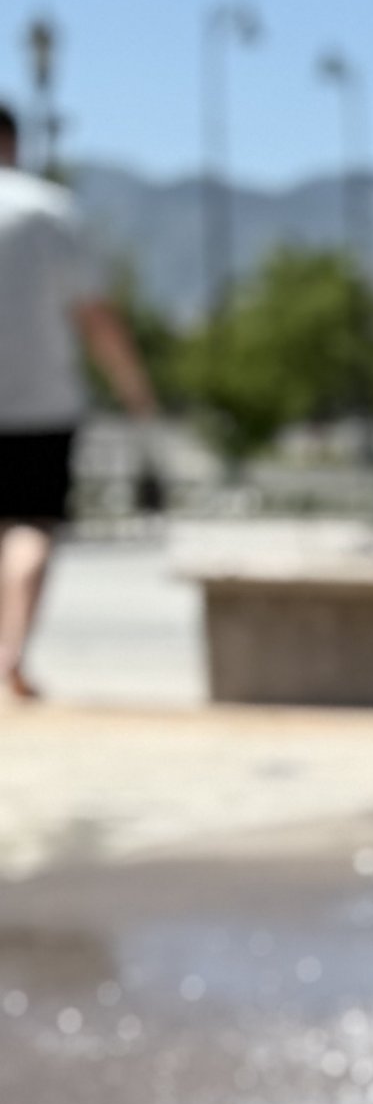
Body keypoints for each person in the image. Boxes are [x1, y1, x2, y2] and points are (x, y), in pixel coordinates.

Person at [0, 101, 158, 703]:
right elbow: (95, 316)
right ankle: (12, 651)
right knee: (30, 529)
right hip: (41, 402)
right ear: (13, 142)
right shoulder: (47, 209)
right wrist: (132, 386)